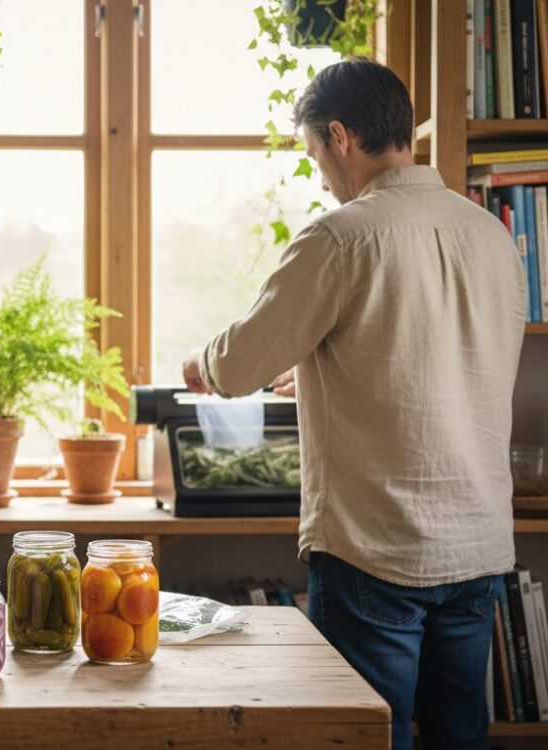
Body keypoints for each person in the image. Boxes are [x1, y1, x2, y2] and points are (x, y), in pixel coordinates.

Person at [183, 58, 527, 750]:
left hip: (378, 550)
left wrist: (200, 364)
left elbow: (244, 360)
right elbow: (432, 357)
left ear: (340, 137)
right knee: (461, 735)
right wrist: (317, 372)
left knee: (370, 737)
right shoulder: (493, 237)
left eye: (313, 153)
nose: (318, 173)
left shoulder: (342, 236)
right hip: (478, 546)